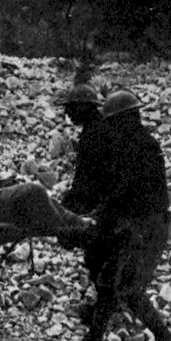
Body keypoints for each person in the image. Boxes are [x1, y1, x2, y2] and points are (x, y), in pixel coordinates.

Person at [60, 88, 171, 341]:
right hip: (138, 224)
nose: (111, 128)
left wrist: (92, 219)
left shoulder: (140, 147)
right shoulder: (136, 144)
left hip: (147, 226)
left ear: (124, 119)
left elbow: (121, 193)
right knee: (107, 283)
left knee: (128, 288)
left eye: (114, 122)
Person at [57, 82, 111, 322]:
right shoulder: (98, 128)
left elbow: (88, 181)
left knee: (96, 256)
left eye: (71, 107)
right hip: (108, 202)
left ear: (84, 107)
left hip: (104, 206)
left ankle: (103, 310)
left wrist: (68, 205)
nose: (67, 113)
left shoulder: (94, 135)